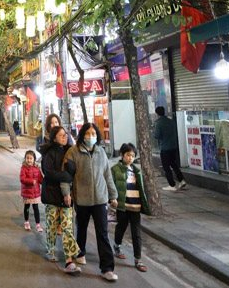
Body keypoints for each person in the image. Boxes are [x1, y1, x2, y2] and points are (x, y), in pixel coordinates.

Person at [63, 123, 119, 282]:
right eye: (87, 133)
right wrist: (67, 193)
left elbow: (107, 175)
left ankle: (107, 268)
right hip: (81, 199)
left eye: (93, 133)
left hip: (100, 199)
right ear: (82, 135)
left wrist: (113, 195)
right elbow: (66, 176)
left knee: (103, 233)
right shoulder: (73, 152)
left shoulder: (101, 152)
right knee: (81, 228)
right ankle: (80, 253)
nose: (90, 136)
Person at [40, 126, 80, 273]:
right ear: (54, 137)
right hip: (51, 195)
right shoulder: (49, 153)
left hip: (67, 196)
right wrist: (64, 176)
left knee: (67, 226)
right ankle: (50, 249)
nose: (64, 137)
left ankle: (69, 258)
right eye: (61, 135)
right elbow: (48, 173)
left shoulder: (70, 151)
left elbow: (74, 171)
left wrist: (68, 178)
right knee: (51, 225)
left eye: (65, 135)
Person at [111, 143, 150, 272]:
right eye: (128, 155)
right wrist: (113, 199)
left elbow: (141, 189)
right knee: (121, 227)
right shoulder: (115, 169)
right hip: (122, 206)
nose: (130, 158)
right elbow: (111, 185)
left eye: (132, 156)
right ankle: (117, 246)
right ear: (122, 155)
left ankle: (138, 259)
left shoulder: (136, 170)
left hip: (135, 206)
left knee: (136, 233)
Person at [153, 106, 187, 191]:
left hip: (165, 148)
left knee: (166, 167)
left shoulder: (159, 123)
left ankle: (172, 185)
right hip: (173, 147)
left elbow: (156, 135)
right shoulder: (171, 121)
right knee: (174, 165)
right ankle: (181, 180)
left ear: (157, 113)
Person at [20, 150, 43, 232]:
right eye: (27, 158)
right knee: (27, 207)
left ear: (34, 159)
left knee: (36, 208)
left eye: (31, 158)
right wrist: (31, 181)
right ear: (25, 159)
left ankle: (38, 224)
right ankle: (26, 222)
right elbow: (22, 179)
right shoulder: (23, 168)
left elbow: (40, 179)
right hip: (27, 192)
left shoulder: (37, 168)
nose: (29, 160)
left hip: (36, 192)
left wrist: (44, 182)